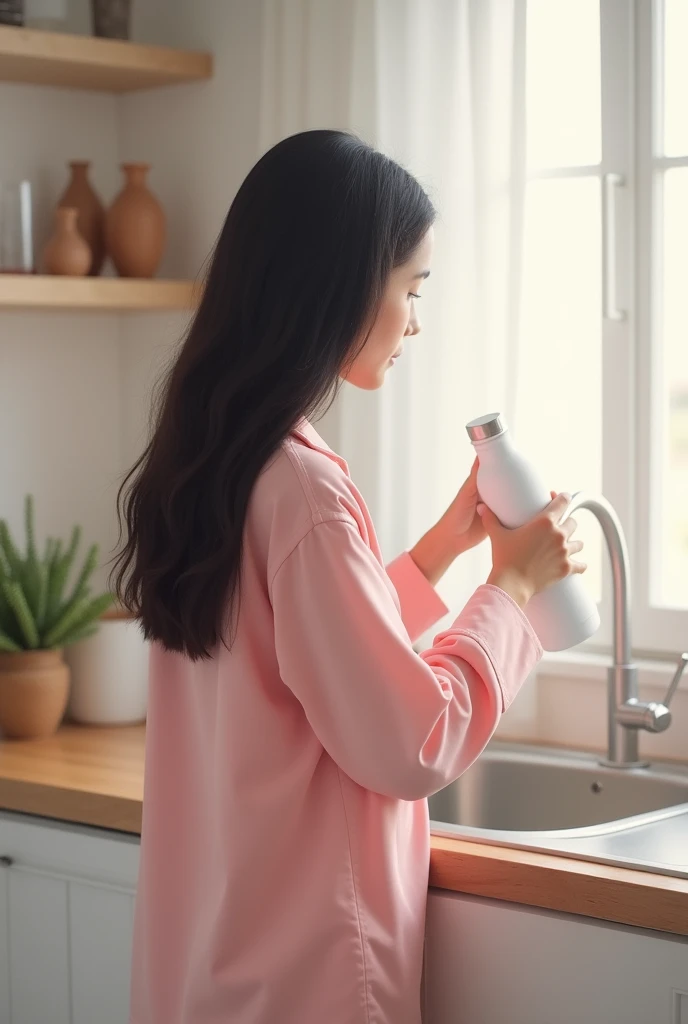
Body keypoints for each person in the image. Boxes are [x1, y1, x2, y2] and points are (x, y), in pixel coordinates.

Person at [111, 129, 585, 1024]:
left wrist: (439, 555)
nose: (415, 318)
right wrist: (511, 594)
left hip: (214, 972)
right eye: (411, 286)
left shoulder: (222, 458)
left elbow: (296, 660)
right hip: (312, 978)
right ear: (336, 285)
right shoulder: (304, 487)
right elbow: (409, 741)